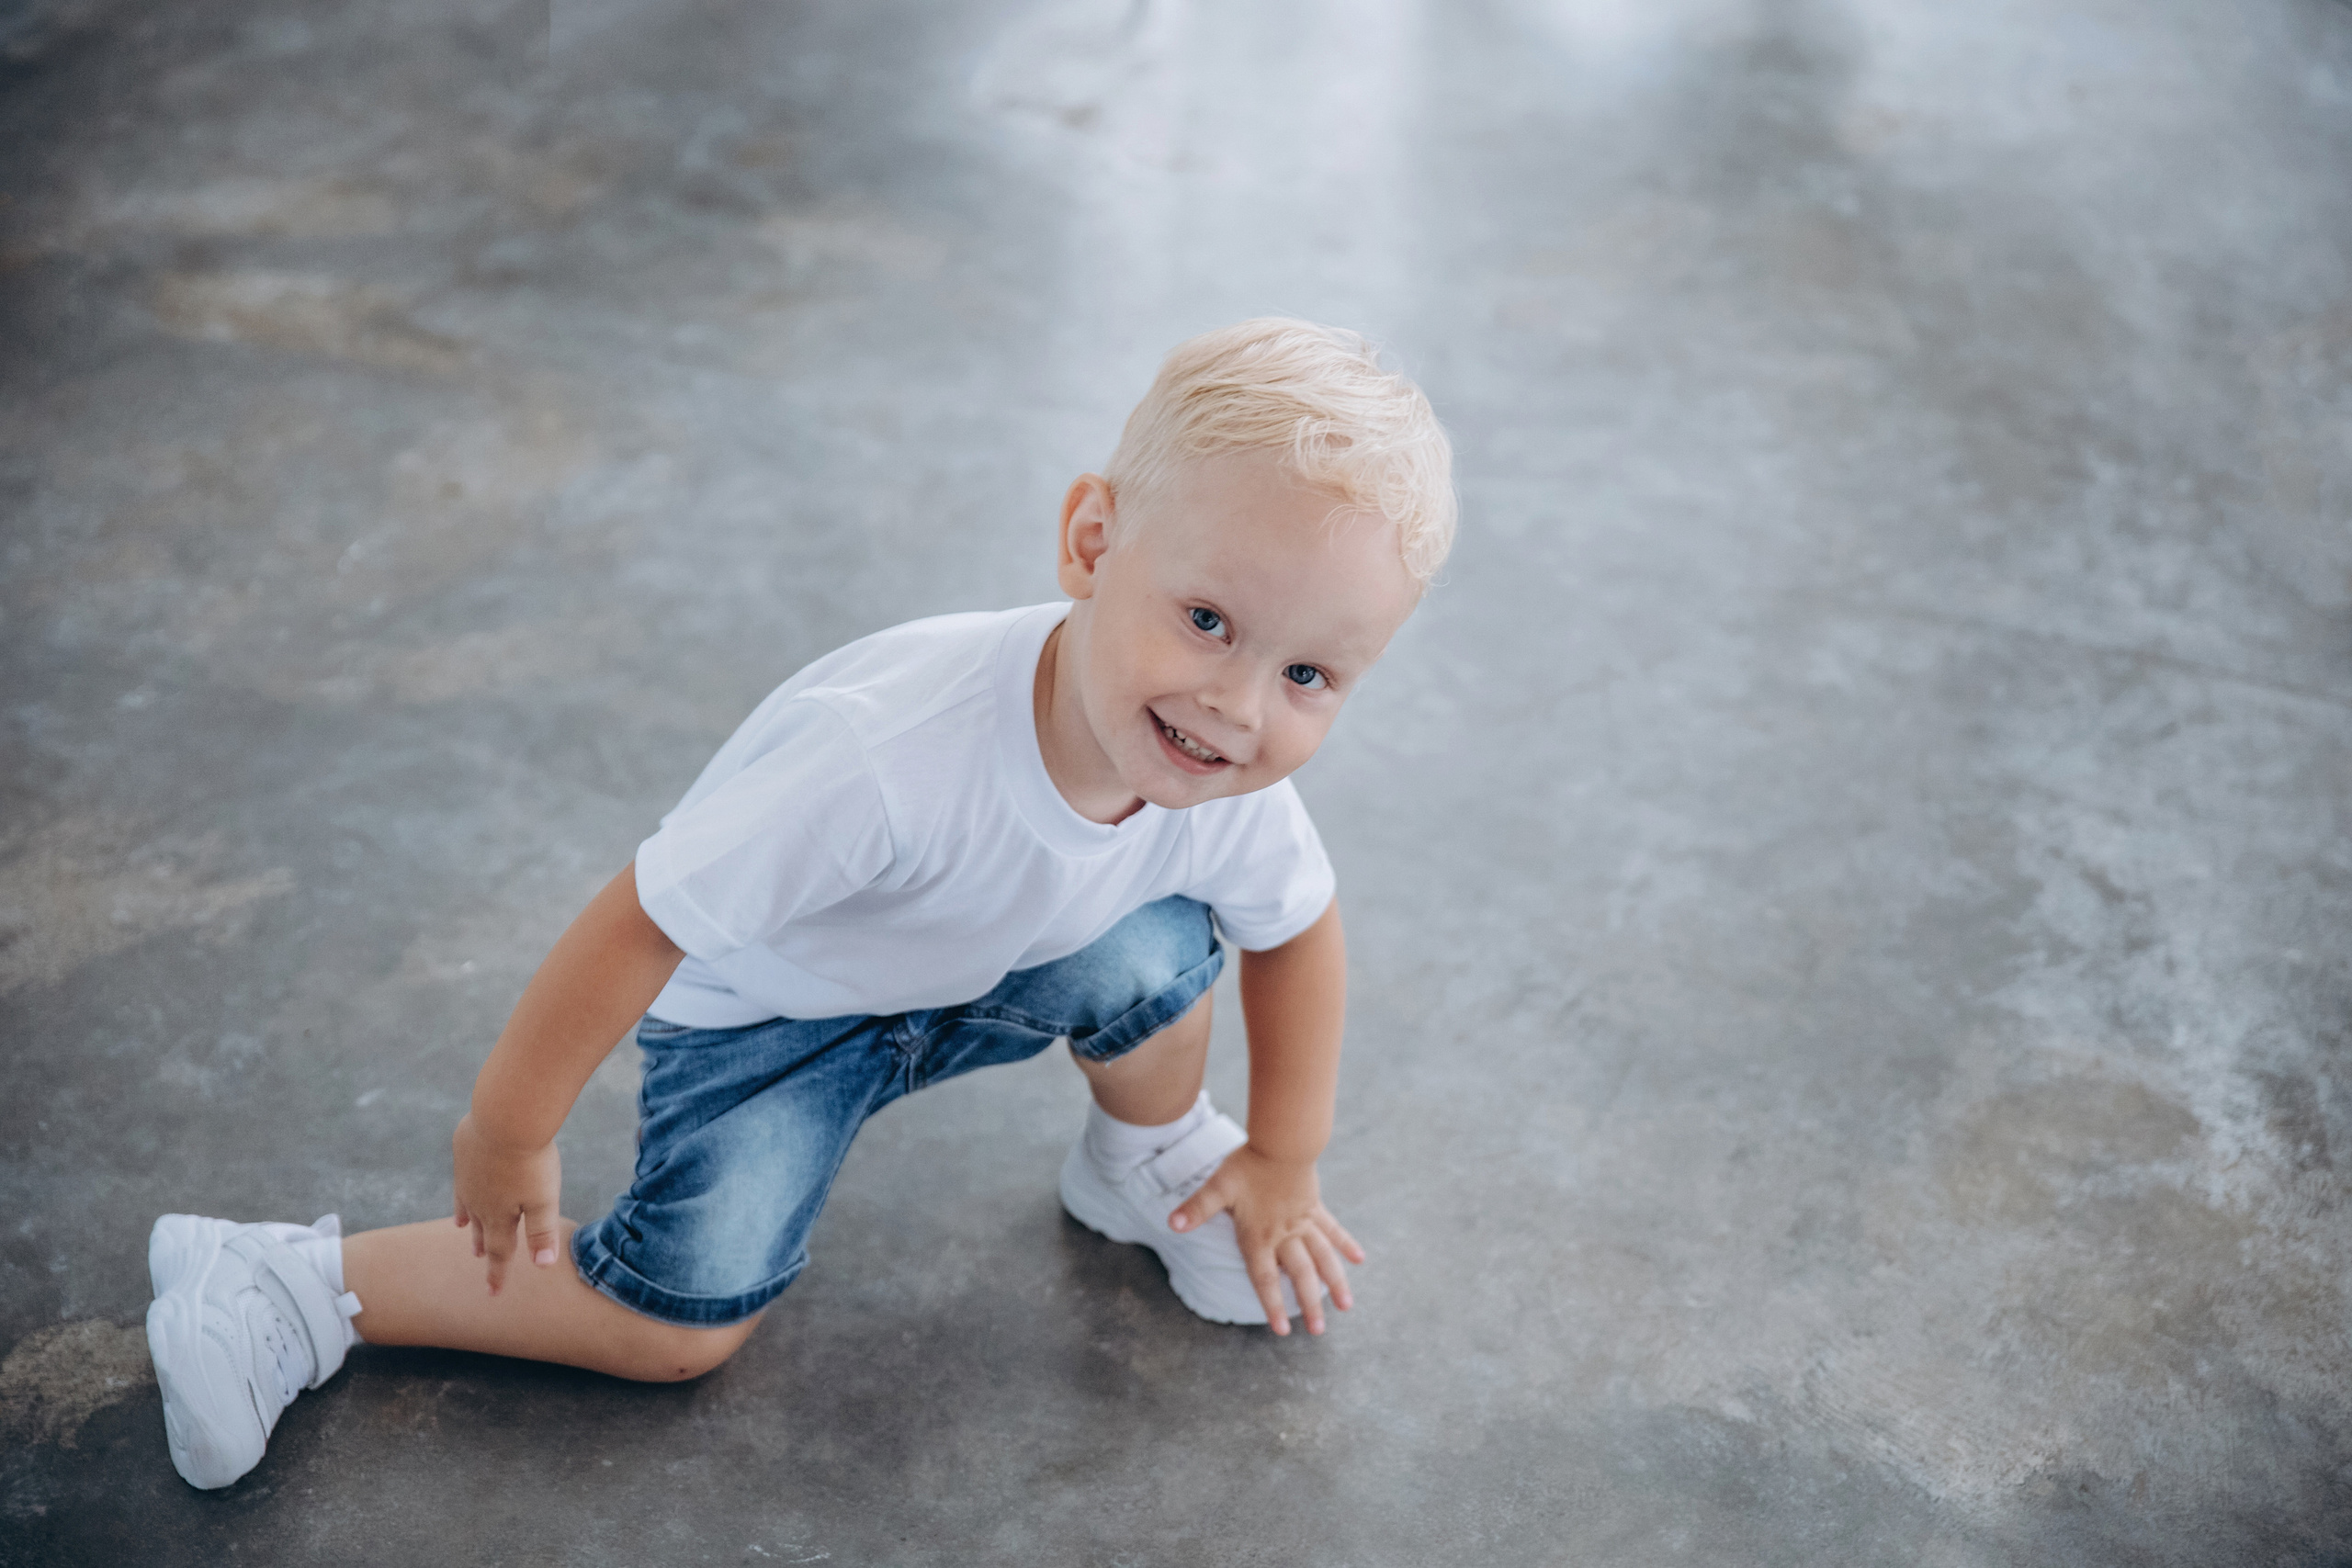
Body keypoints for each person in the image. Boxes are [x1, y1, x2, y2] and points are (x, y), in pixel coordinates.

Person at [142, 317, 1457, 1490]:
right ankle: (293, 1287)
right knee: (680, 1327)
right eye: (1210, 620)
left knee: (1164, 945)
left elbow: (1297, 929)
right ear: (1092, 542)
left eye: (1308, 674)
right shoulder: (884, 757)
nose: (1239, 707)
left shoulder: (1219, 775)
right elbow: (642, 919)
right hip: (771, 1025)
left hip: (973, 973)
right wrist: (508, 1128)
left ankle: (1144, 1164)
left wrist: (1280, 1157)